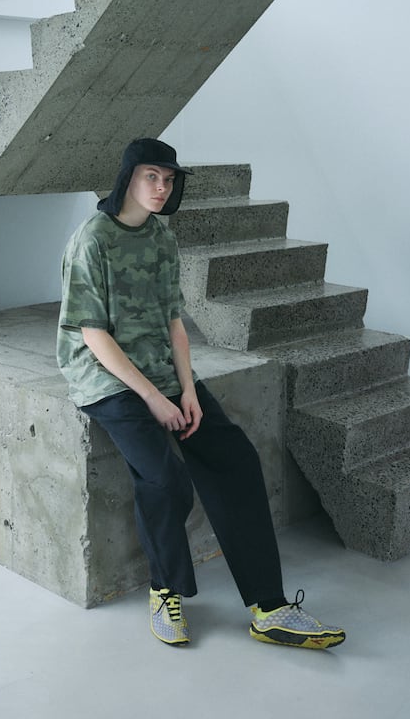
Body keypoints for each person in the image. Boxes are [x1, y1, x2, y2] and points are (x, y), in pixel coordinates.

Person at [57, 136, 346, 649]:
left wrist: (188, 390)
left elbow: (174, 322)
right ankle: (164, 590)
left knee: (236, 458)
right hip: (104, 377)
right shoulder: (92, 240)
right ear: (128, 177)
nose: (162, 188)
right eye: (151, 176)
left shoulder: (161, 238)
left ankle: (269, 608)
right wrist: (154, 398)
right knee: (166, 478)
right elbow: (93, 334)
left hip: (162, 371)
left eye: (169, 180)